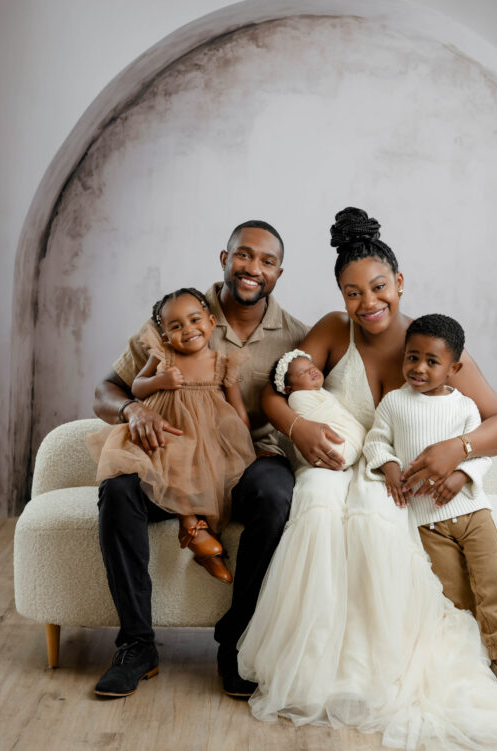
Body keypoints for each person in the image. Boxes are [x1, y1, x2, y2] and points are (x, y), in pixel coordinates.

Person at [238, 208, 497, 750]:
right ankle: (308, 663)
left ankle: (375, 665)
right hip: (328, 459)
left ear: (400, 282)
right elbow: (275, 388)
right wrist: (297, 427)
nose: (368, 304)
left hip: (382, 473)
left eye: (379, 287)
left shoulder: (430, 343)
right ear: (340, 296)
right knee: (315, 503)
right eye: (352, 292)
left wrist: (454, 451)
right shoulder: (330, 331)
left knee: (376, 516)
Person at [92, 221, 307, 698]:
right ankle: (136, 645)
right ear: (224, 259)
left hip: (249, 458)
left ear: (279, 272)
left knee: (275, 494)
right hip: (173, 456)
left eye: (267, 261)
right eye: (244, 255)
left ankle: (236, 642)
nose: (253, 269)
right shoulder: (175, 316)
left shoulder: (294, 335)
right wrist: (133, 408)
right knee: (118, 489)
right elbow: (105, 390)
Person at [364, 312, 497, 694]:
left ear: (453, 368)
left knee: (492, 581)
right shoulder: (393, 404)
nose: (418, 368)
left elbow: (483, 454)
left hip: (472, 512)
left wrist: (461, 476)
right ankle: (465, 658)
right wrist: (387, 466)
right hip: (427, 522)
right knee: (450, 592)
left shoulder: (465, 407)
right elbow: (376, 441)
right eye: (412, 357)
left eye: (431, 361)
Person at [87, 287, 256, 583]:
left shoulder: (223, 363)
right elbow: (136, 386)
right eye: (176, 326)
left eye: (194, 320)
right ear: (165, 335)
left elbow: (238, 410)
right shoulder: (163, 356)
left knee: (208, 470)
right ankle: (190, 526)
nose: (188, 330)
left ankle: (207, 548)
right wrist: (160, 380)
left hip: (204, 438)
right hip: (163, 433)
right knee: (171, 458)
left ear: (211, 321)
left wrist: (245, 445)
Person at [270, 348, 366, 469]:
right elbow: (320, 418)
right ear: (289, 389)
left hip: (351, 443)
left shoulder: (320, 391)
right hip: (330, 451)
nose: (312, 371)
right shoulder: (297, 397)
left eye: (312, 366)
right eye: (302, 372)